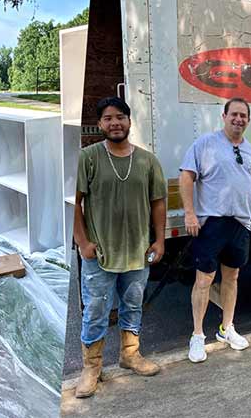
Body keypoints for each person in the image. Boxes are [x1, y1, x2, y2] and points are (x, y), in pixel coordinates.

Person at [73, 97, 167, 398]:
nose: (115, 123)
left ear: (129, 121)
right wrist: (82, 241)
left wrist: (160, 239)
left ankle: (130, 355)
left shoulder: (147, 160)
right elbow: (73, 202)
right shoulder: (87, 157)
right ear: (100, 124)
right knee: (96, 310)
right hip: (100, 254)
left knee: (133, 305)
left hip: (137, 252)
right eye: (108, 118)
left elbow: (158, 203)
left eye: (120, 117)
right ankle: (91, 368)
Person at [180, 97, 251, 363]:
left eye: (243, 115)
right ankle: (197, 336)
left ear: (248, 121)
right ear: (224, 116)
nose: (239, 119)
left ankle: (226, 328)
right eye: (234, 114)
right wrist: (189, 213)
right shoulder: (205, 144)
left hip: (240, 224)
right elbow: (187, 176)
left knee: (232, 278)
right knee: (204, 280)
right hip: (212, 223)